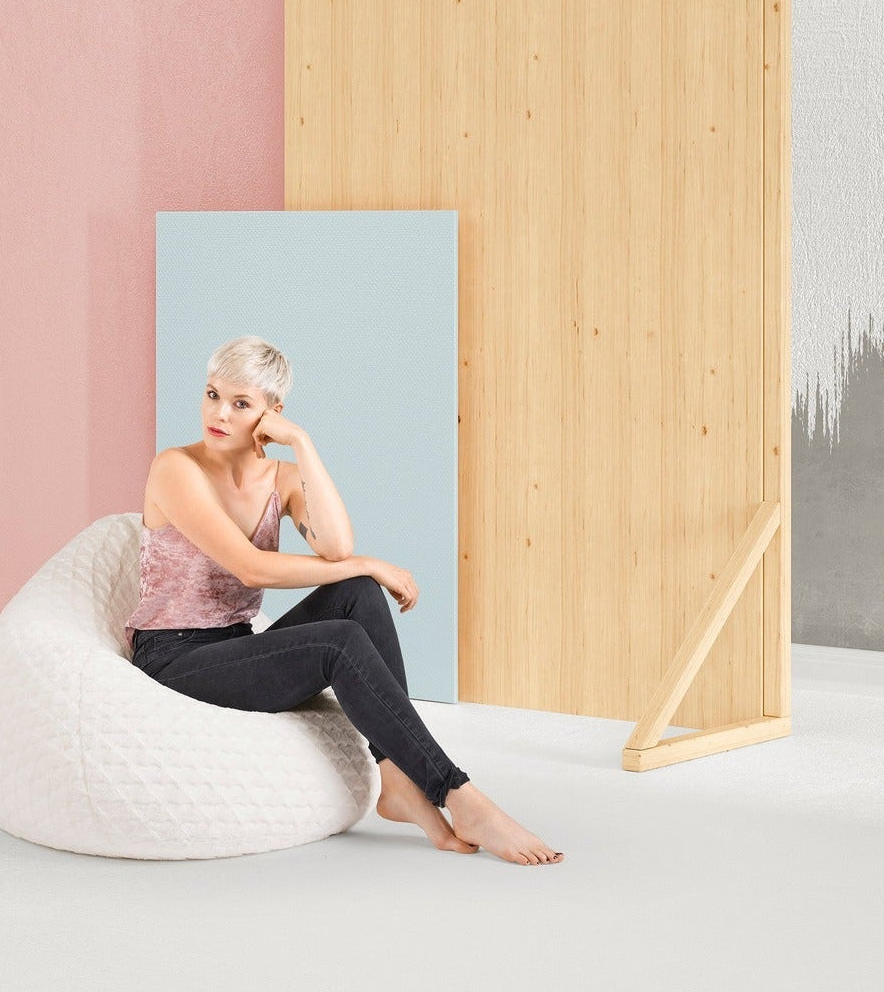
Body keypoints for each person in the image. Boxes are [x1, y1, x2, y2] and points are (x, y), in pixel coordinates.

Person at [124, 335, 564, 865]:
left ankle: (397, 779)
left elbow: (337, 548)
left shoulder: (280, 479)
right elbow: (249, 565)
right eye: (212, 394)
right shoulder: (175, 468)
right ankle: (456, 793)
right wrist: (370, 564)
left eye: (241, 403)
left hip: (236, 646)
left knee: (355, 594)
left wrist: (303, 445)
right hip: (174, 659)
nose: (219, 413)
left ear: (271, 413)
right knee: (343, 629)